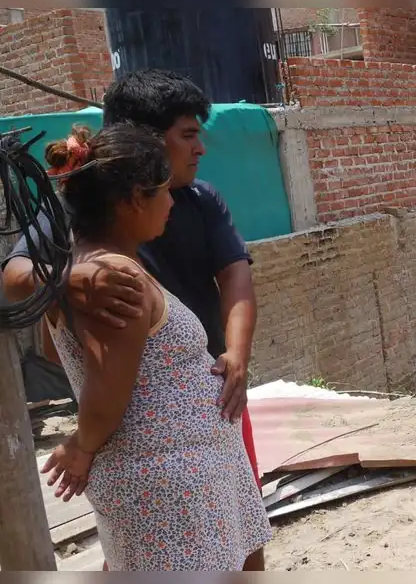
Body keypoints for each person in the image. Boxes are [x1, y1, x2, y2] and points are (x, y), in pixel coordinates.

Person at [1, 69, 266, 570]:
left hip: (197, 451)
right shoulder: (109, 267)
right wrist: (81, 444)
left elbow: (237, 278)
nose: (200, 149)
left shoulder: (194, 203)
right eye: (188, 135)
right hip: (167, 476)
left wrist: (235, 355)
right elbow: (108, 382)